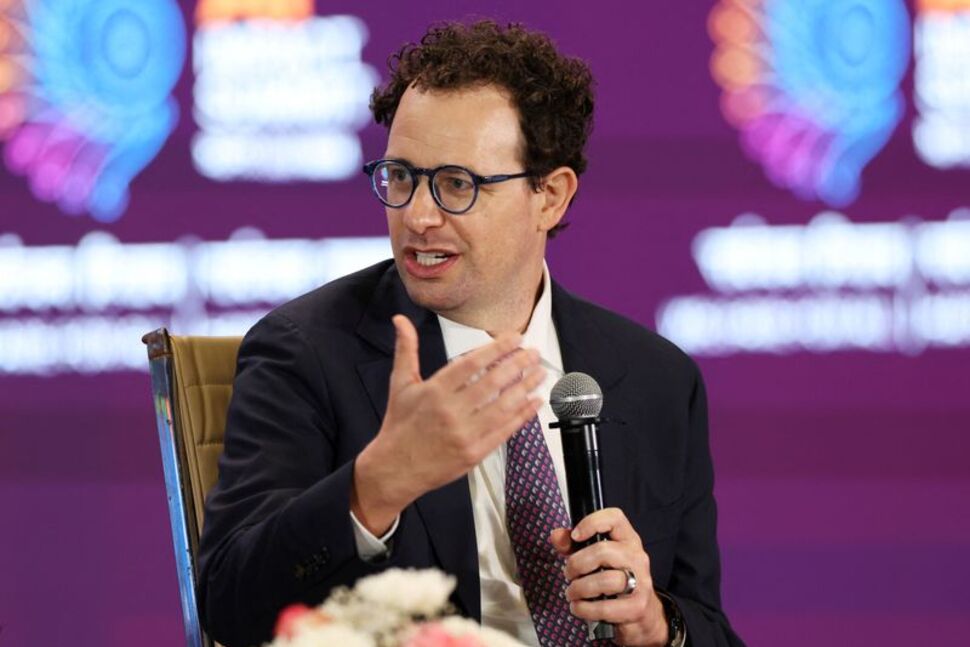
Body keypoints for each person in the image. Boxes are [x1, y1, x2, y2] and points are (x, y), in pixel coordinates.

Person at [198, 20, 745, 647]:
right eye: (401, 177)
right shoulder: (307, 352)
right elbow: (229, 606)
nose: (417, 216)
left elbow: (708, 625)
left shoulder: (657, 379)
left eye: (457, 184)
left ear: (551, 196)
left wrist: (655, 624)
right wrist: (376, 486)